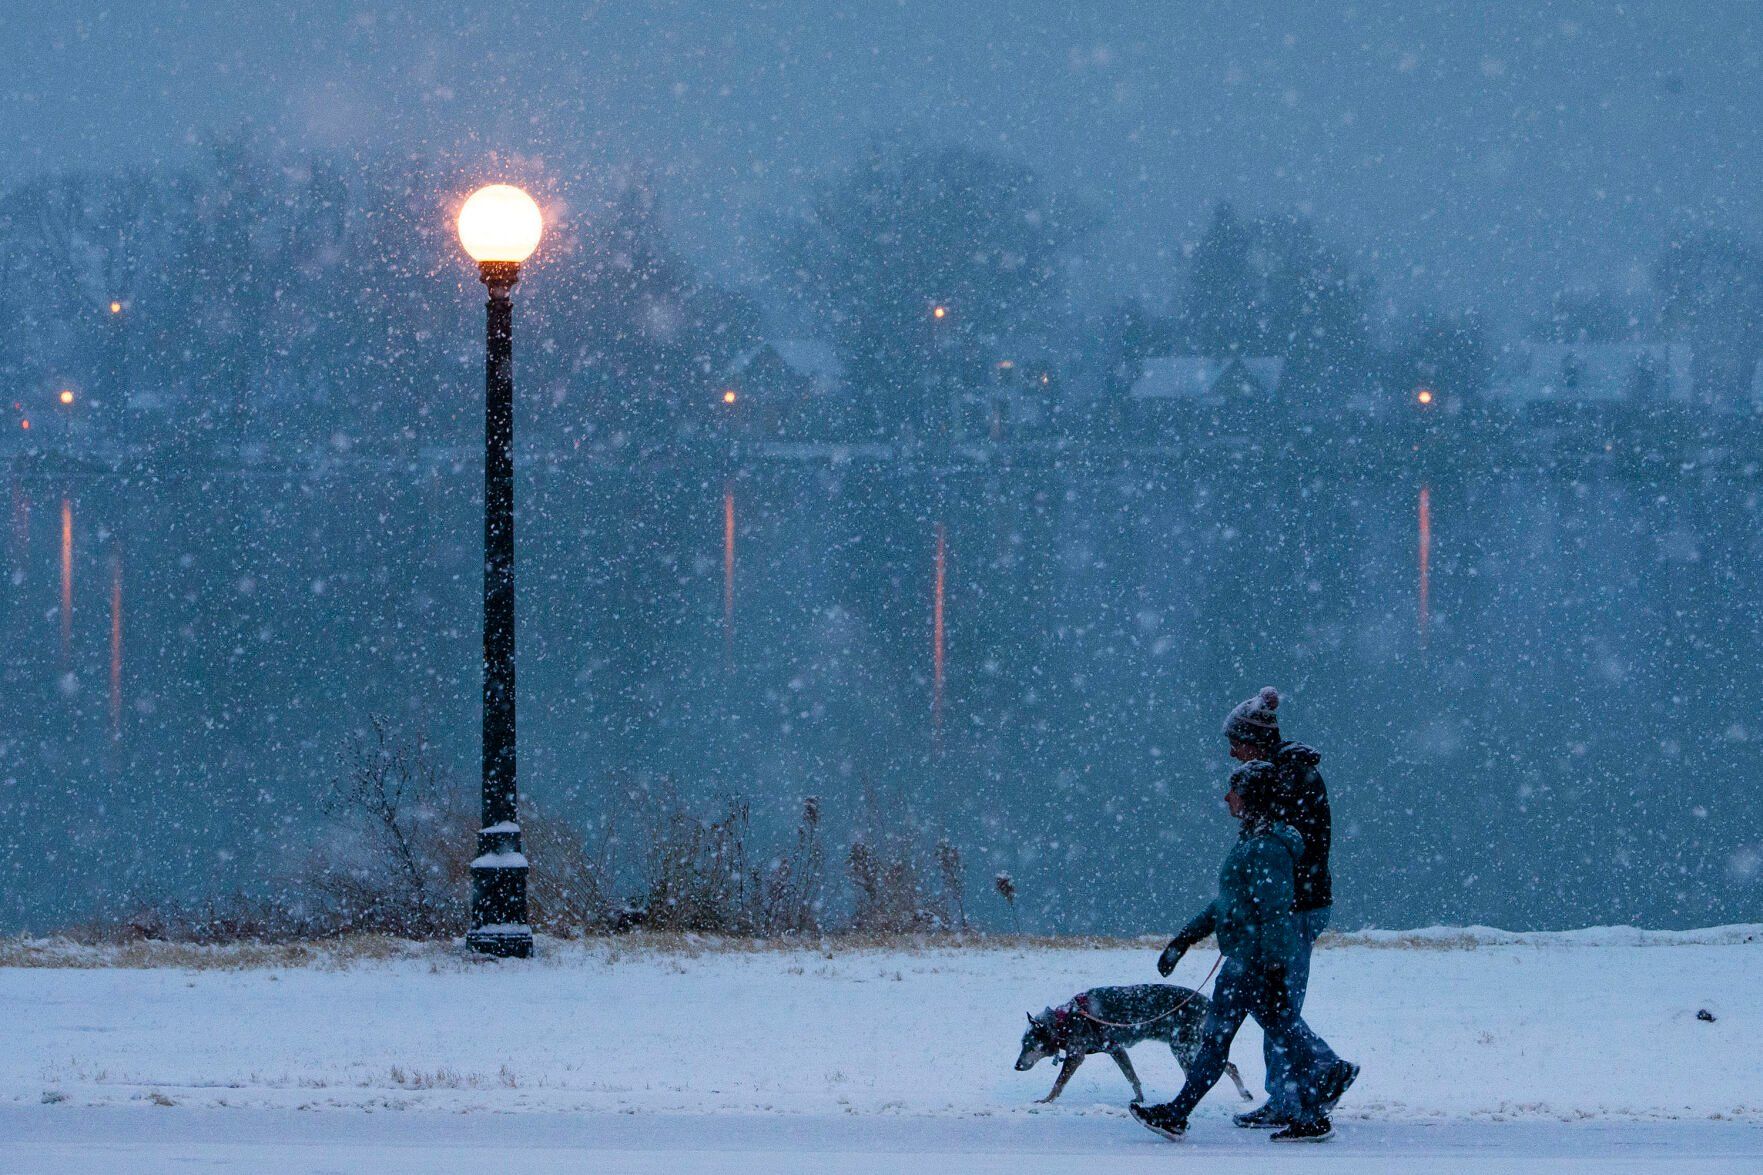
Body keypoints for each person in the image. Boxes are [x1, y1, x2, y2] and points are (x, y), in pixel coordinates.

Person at [1132, 761, 1357, 1143]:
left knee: (1258, 1035)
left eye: (1232, 790)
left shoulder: (1269, 848)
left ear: (1251, 797)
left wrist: (1269, 965)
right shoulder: (1252, 842)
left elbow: (1273, 912)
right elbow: (1227, 903)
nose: (1226, 797)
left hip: (1253, 964)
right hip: (1244, 961)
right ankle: (1179, 1113)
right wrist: (1184, 940)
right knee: (1238, 1037)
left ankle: (1318, 1095)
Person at [1220, 685, 1332, 1129]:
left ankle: (1305, 1096)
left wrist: (1263, 904)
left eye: (1235, 743)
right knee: (1275, 1004)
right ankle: (1286, 1097)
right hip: (1291, 906)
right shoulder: (1285, 773)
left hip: (1294, 909)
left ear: (1253, 740)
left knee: (1280, 1006)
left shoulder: (1287, 779)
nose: (1232, 753)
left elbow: (1282, 851)